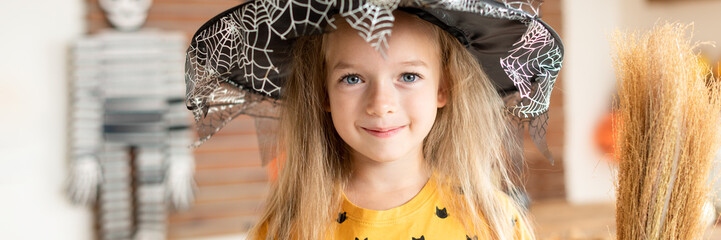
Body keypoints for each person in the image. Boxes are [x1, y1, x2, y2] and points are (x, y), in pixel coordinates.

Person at [184, 1, 563, 239]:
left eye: (409, 77)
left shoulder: (493, 222)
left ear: (443, 88)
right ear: (323, 94)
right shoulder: (287, 229)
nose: (381, 104)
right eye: (352, 79)